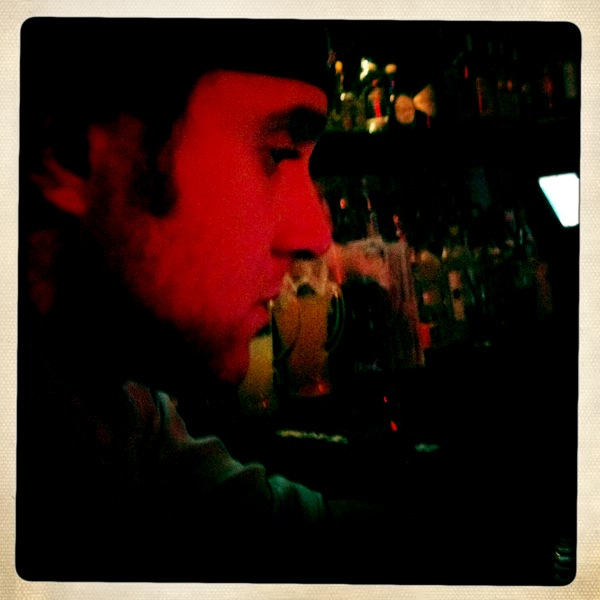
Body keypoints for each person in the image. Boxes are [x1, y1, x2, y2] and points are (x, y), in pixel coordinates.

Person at [17, 17, 407, 584]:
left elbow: (284, 536)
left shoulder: (126, 408)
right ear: (70, 151)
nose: (317, 235)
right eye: (278, 153)